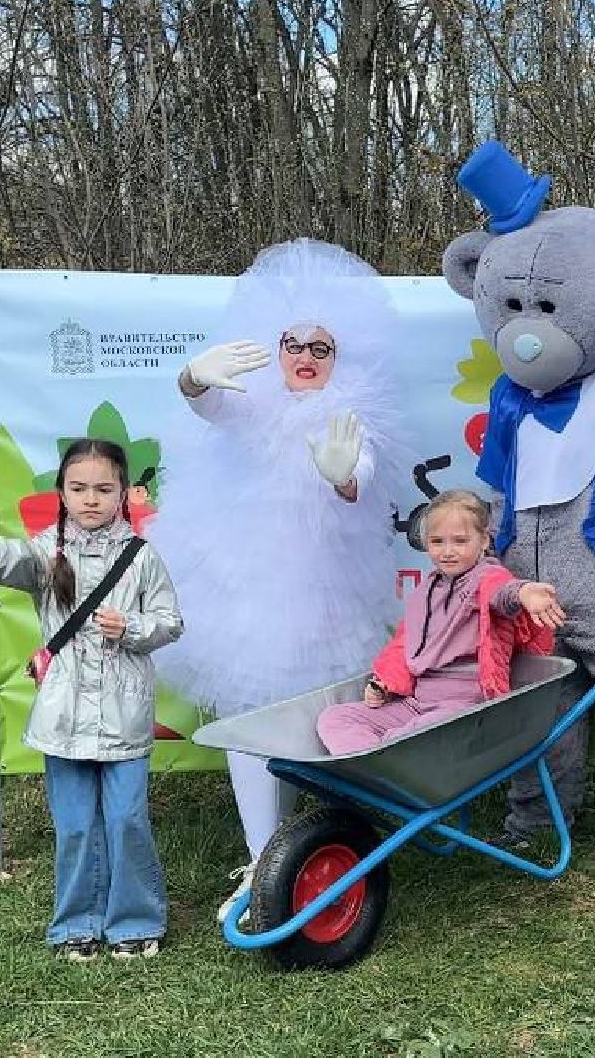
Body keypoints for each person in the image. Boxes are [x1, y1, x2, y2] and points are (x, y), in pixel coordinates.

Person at [147, 239, 407, 925]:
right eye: (292, 342)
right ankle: (264, 857)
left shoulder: (352, 416)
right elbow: (207, 406)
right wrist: (192, 380)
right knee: (246, 721)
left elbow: (362, 478)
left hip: (323, 599)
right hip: (244, 595)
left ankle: (319, 847)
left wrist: (342, 473)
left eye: (319, 347)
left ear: (338, 355)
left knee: (318, 721)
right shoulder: (249, 403)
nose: (304, 355)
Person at [0, 439, 183, 961]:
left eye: (103, 488)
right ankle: (77, 922)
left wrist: (134, 626)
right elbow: (3, 561)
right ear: (62, 493)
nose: (91, 499)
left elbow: (170, 622)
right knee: (74, 826)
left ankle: (136, 921)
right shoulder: (44, 553)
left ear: (124, 493)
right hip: (63, 718)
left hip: (124, 715)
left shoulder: (142, 558)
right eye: (78, 488)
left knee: (126, 821)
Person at [315, 490, 565, 755]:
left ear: (483, 541)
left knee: (420, 733)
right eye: (437, 541)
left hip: (462, 709)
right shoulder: (427, 590)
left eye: (460, 541)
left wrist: (524, 592)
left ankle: (383, 757)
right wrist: (385, 684)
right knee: (334, 718)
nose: (448, 551)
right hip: (416, 703)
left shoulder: (485, 577)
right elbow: (405, 645)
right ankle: (379, 760)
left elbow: (501, 592)